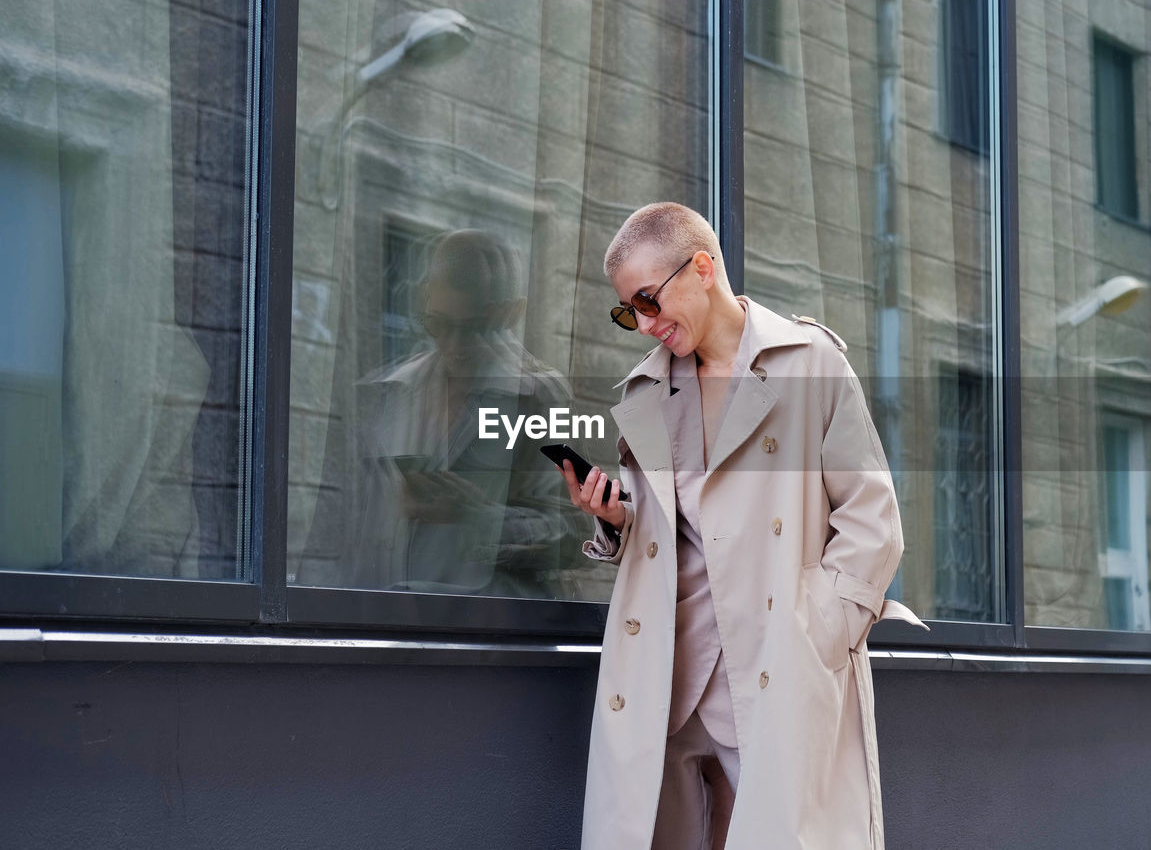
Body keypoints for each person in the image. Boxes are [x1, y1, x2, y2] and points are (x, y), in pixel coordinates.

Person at [561, 203, 926, 849]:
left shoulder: (808, 364)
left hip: (773, 664)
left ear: (702, 267)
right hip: (665, 674)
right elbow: (674, 527)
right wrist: (618, 516)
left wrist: (814, 633)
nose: (645, 325)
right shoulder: (646, 392)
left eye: (649, 300)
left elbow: (875, 523)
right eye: (629, 312)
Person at [344, 229, 579, 596]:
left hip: (482, 639)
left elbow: (574, 532)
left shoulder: (540, 397)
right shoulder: (389, 390)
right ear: (424, 298)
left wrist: (477, 516)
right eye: (438, 324)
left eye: (475, 330)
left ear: (512, 313)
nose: (455, 345)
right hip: (384, 626)